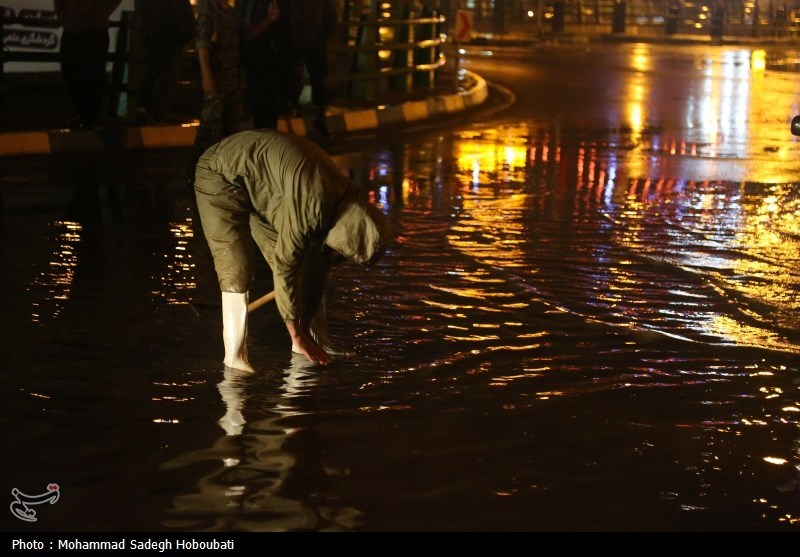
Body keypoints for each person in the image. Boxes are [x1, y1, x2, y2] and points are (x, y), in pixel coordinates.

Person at [193, 129, 388, 371]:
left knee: (302, 265)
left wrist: (302, 327)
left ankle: (314, 340)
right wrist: (293, 330)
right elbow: (285, 266)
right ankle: (234, 358)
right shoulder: (313, 206)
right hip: (220, 173)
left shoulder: (345, 200)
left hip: (265, 186)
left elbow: (318, 266)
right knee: (237, 266)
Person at [189, 0, 279, 185]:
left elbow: (248, 33)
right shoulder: (209, 11)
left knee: (230, 128)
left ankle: (222, 173)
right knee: (209, 127)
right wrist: (207, 75)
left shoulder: (230, 12)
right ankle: (196, 171)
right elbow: (202, 45)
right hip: (217, 78)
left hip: (232, 79)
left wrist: (269, 19)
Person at [53, 0, 123, 131]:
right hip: (78, 28)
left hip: (90, 30)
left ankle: (88, 117)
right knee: (73, 75)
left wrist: (98, 12)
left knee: (90, 76)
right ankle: (85, 115)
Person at [133, 0, 195, 124]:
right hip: (172, 34)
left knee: (152, 71)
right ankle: (159, 113)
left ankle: (143, 107)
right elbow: (182, 9)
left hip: (151, 34)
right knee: (168, 74)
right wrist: (189, 32)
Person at [286, 0, 337, 136]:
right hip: (306, 38)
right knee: (311, 78)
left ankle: (302, 111)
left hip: (306, 39)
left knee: (316, 79)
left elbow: (329, 13)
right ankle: (311, 114)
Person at [239, 0, 291, 129]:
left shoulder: (272, 4)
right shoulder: (247, 4)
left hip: (267, 61)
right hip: (252, 60)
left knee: (267, 106)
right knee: (257, 104)